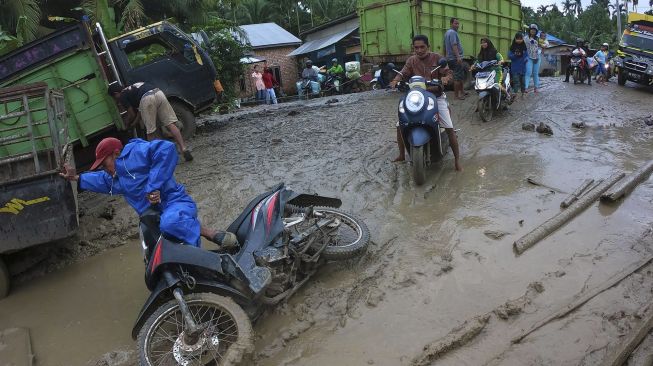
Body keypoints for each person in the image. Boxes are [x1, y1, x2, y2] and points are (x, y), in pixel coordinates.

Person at [59, 137, 238, 249]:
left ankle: (203, 245)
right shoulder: (117, 178)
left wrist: (153, 186)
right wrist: (76, 178)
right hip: (153, 216)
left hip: (175, 202)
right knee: (154, 245)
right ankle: (205, 237)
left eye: (105, 164)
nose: (105, 170)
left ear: (116, 153)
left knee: (171, 223)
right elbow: (101, 180)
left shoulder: (135, 152)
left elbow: (166, 149)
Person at [389, 34, 462, 172]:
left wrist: (446, 78)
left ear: (428, 46)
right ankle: (401, 155)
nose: (419, 50)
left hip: (435, 96)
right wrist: (395, 80)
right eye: (416, 47)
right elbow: (403, 73)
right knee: (400, 124)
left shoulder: (437, 58)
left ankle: (457, 161)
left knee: (448, 126)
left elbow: (448, 73)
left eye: (422, 47)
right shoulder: (411, 60)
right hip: (417, 97)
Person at [108, 82, 193, 162]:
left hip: (147, 99)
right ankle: (183, 148)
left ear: (116, 93)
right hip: (158, 93)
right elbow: (140, 112)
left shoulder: (122, 96)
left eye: (114, 97)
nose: (116, 99)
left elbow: (132, 114)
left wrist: (128, 124)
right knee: (170, 124)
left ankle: (155, 158)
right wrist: (134, 124)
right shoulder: (132, 88)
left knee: (150, 132)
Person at [444, 17, 467, 100]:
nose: (457, 25)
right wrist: (458, 57)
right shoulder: (453, 33)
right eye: (455, 23)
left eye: (458, 23)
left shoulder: (447, 33)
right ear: (451, 24)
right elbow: (454, 45)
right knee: (457, 77)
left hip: (450, 58)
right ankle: (457, 96)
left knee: (460, 75)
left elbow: (444, 45)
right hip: (455, 58)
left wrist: (446, 56)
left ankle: (463, 92)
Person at [524, 24, 543, 93]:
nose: (533, 31)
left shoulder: (538, 39)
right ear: (529, 30)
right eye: (532, 29)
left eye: (534, 30)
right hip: (529, 57)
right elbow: (523, 48)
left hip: (537, 57)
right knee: (528, 72)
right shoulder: (525, 38)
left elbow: (541, 46)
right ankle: (525, 87)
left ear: (536, 31)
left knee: (535, 73)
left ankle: (536, 87)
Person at [508, 32, 528, 98]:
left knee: (523, 82)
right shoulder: (512, 47)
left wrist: (526, 59)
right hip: (515, 68)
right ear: (515, 39)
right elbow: (509, 56)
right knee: (516, 82)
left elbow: (526, 55)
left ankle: (523, 93)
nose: (519, 40)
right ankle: (515, 94)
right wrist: (515, 55)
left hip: (522, 68)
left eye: (520, 39)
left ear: (522, 39)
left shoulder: (524, 47)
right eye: (517, 39)